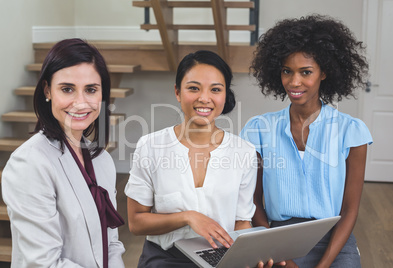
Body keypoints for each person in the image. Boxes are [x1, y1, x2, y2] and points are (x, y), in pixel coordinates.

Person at [125, 50, 285, 268]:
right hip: (164, 259)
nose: (204, 98)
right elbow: (136, 223)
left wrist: (249, 256)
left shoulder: (244, 152)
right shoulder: (150, 147)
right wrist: (188, 217)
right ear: (177, 92)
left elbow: (241, 222)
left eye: (215, 90)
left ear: (224, 95)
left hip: (222, 258)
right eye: (193, 88)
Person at [240, 15, 372, 268]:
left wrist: (323, 266)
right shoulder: (259, 129)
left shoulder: (351, 131)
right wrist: (278, 254)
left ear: (325, 73)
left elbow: (350, 209)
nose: (294, 82)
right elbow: (253, 201)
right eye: (287, 71)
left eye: (306, 72)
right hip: (277, 238)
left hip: (334, 238)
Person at [2, 38, 125, 267]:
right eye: (67, 89)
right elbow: (43, 263)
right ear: (47, 90)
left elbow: (112, 243)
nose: (80, 103)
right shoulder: (29, 163)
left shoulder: (103, 161)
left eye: (91, 90)